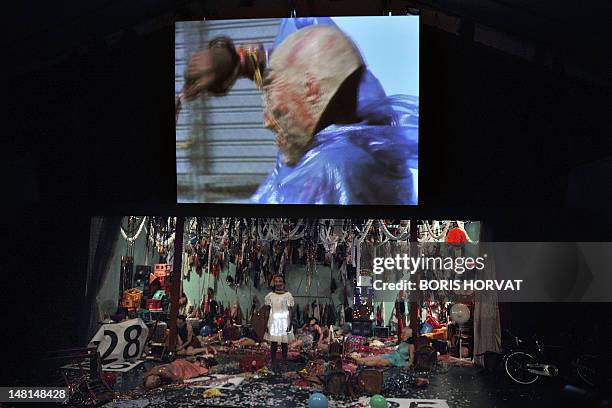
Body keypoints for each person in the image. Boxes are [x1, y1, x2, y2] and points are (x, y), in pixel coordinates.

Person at [181, 18, 418, 205]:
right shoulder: (320, 160)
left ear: (313, 90)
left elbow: (337, 81)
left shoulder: (335, 168)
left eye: (279, 110)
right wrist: (232, 60)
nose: (267, 122)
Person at [264, 275, 295, 371]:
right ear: (274, 283)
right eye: (276, 281)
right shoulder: (270, 296)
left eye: (280, 281)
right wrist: (265, 323)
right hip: (273, 322)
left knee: (284, 344)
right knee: (273, 343)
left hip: (284, 322)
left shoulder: (288, 295)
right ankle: (273, 362)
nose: (278, 283)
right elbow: (267, 310)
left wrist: (290, 323)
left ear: (283, 283)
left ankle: (284, 363)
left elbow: (291, 310)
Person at [143, 357, 210, 389]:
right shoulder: (153, 371)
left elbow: (178, 381)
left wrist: (177, 382)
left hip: (180, 367)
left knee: (199, 371)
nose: (155, 381)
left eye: (153, 380)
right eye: (154, 384)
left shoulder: (163, 372)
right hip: (178, 365)